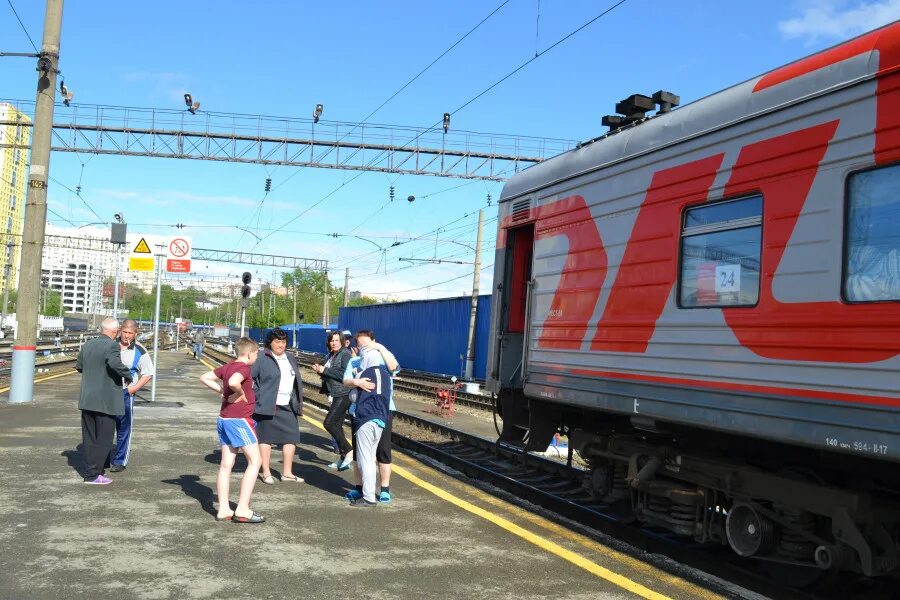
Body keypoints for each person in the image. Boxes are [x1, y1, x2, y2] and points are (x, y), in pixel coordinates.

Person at [199, 337, 265, 523]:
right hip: (239, 421)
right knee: (255, 461)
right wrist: (239, 393)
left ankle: (223, 509)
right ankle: (243, 508)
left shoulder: (227, 366)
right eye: (257, 354)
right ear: (250, 354)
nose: (257, 357)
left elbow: (204, 377)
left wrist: (220, 390)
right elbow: (235, 382)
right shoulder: (244, 368)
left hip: (224, 419)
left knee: (226, 465)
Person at [343, 330, 399, 503]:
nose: (364, 347)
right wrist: (356, 381)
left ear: (374, 341)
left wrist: (380, 348)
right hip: (359, 410)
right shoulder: (354, 361)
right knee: (360, 453)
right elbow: (345, 380)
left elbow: (393, 367)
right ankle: (359, 488)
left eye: (367, 343)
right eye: (360, 345)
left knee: (383, 450)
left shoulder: (382, 356)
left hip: (384, 409)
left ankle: (384, 489)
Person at [75, 318, 133, 485]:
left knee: (90, 437)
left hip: (87, 399)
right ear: (115, 332)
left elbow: (80, 366)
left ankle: (92, 471)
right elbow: (114, 363)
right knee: (104, 439)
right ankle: (93, 475)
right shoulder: (112, 345)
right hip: (105, 401)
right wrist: (128, 375)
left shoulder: (88, 345)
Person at [251, 328, 304, 484]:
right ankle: (266, 472)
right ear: (270, 343)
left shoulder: (290, 358)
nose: (281, 345)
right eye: (277, 342)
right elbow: (249, 377)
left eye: (283, 342)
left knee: (291, 437)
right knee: (266, 439)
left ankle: (287, 473)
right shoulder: (262, 357)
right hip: (267, 404)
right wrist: (257, 395)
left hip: (287, 404)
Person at [110, 319, 155, 473]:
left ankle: (120, 460)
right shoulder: (111, 345)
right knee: (106, 426)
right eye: (124, 332)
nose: (126, 335)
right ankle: (103, 457)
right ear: (120, 330)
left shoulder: (140, 350)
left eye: (130, 333)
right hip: (107, 392)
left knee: (123, 428)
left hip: (125, 393)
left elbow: (148, 373)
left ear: (136, 334)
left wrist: (133, 389)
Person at [347, 361, 393, 507]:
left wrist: (355, 385)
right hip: (381, 419)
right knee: (371, 458)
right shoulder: (386, 376)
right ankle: (372, 492)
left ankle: (368, 497)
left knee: (365, 459)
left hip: (365, 418)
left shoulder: (363, 375)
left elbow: (353, 397)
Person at [312, 331, 353, 470]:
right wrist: (319, 369)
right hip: (335, 393)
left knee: (329, 423)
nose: (334, 343)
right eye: (331, 340)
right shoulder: (331, 354)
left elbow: (344, 374)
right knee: (338, 425)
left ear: (341, 341)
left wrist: (325, 370)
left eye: (336, 340)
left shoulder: (345, 354)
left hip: (344, 393)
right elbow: (327, 371)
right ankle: (343, 458)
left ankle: (349, 450)